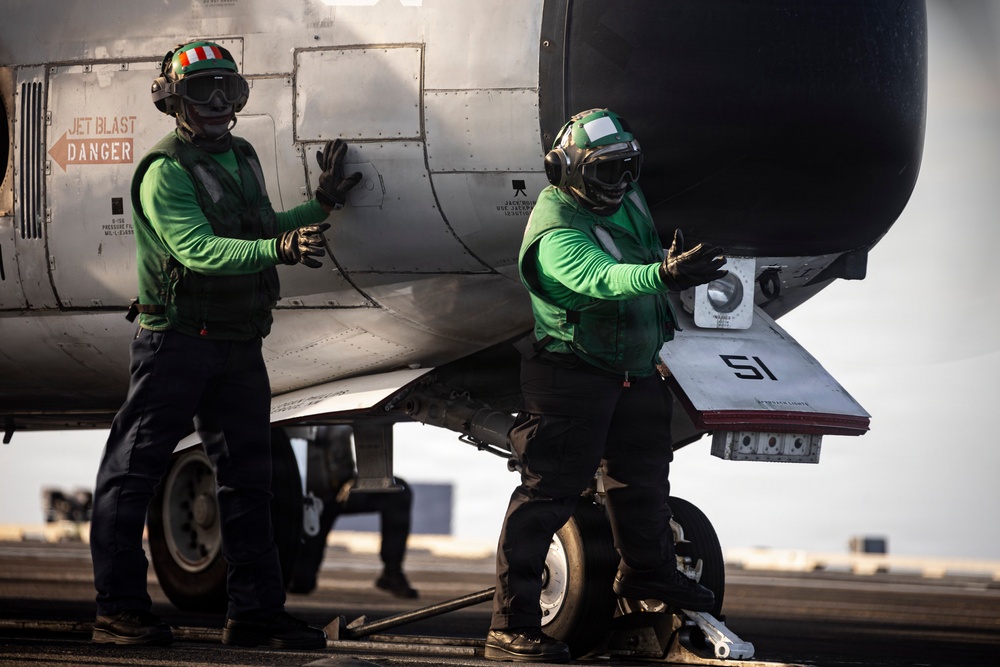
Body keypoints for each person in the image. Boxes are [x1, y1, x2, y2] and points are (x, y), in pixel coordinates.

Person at [89, 40, 361, 649]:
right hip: (176, 343)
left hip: (239, 341)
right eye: (201, 92)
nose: (217, 103)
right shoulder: (164, 172)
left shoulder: (241, 155)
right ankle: (118, 611)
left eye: (229, 91)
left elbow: (259, 225)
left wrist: (321, 204)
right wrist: (280, 251)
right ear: (172, 101)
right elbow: (200, 251)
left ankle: (256, 614)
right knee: (132, 474)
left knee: (248, 482)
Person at [485, 108, 727, 663]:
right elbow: (600, 277)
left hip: (632, 373)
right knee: (547, 498)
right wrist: (664, 275)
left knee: (641, 483)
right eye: (604, 174)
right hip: (572, 376)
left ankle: (647, 575)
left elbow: (638, 249)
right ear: (565, 172)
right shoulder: (554, 231)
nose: (618, 185)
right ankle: (510, 625)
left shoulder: (626, 196)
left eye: (626, 169)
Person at [284, 426, 418, 599]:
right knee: (300, 584)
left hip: (342, 488)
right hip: (301, 494)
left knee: (397, 493)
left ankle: (392, 572)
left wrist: (355, 477)